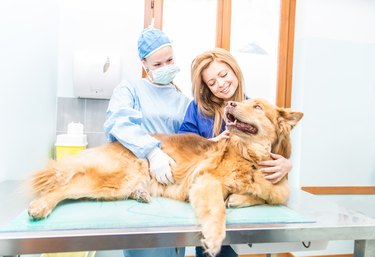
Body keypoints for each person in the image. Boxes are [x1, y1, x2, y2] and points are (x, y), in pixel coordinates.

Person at [178, 48, 293, 257]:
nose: (220, 84)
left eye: (223, 75)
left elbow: (275, 148)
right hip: (206, 194)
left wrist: (286, 164)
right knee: (207, 249)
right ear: (206, 87)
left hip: (240, 198)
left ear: (234, 70)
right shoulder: (197, 109)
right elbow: (182, 146)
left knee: (229, 251)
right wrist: (210, 142)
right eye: (212, 83)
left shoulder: (254, 108)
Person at [104, 27, 190, 257]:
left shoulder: (183, 100)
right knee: (145, 246)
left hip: (171, 181)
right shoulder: (130, 89)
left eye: (169, 60)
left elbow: (190, 140)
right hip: (139, 179)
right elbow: (118, 123)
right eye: (157, 64)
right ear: (144, 64)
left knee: (172, 245)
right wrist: (152, 152)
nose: (165, 67)